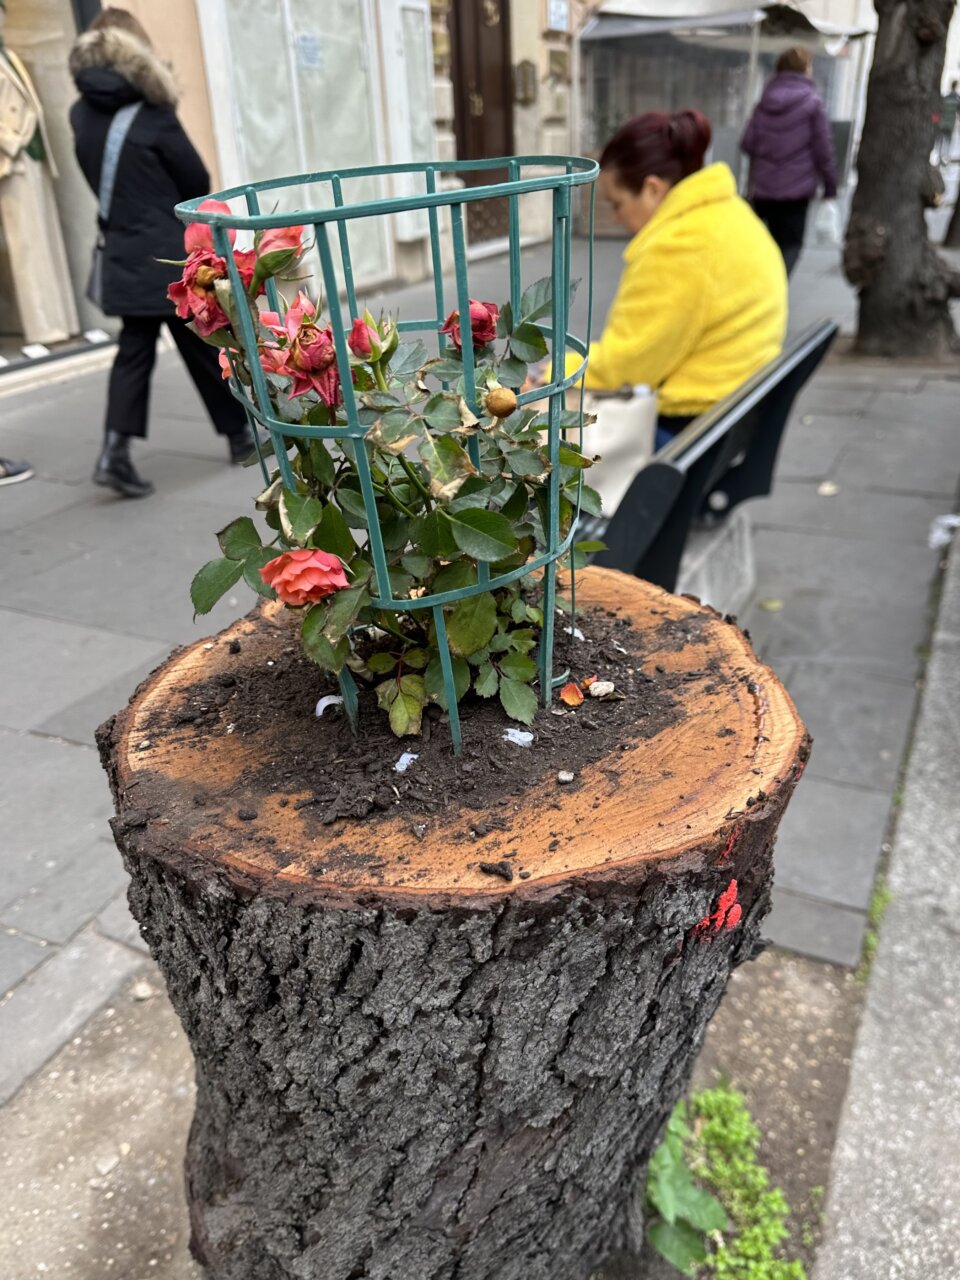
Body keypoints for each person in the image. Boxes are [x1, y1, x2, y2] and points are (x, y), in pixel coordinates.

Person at [69, 8, 254, 499]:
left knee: (133, 353)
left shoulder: (79, 112)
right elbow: (194, 182)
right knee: (199, 343)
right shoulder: (153, 111)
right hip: (168, 258)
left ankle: (114, 451)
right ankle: (241, 436)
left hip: (122, 251)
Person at [572, 108, 787, 451]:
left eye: (618, 203)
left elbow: (626, 367)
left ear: (653, 189)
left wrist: (553, 372)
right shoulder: (728, 213)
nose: (616, 217)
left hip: (689, 431)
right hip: (730, 419)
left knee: (539, 452)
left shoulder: (679, 245)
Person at [741, 47, 837, 277]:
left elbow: (747, 143)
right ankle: (773, 294)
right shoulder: (813, 104)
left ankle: (761, 292)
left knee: (763, 246)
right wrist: (830, 185)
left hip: (763, 192)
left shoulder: (764, 102)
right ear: (805, 70)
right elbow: (823, 149)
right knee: (790, 248)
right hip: (796, 194)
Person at [934, 80, 959, 165]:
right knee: (948, 140)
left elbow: (938, 109)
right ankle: (945, 156)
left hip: (942, 121)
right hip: (950, 123)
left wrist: (936, 121)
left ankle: (939, 156)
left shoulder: (945, 97)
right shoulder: (957, 99)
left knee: (940, 139)